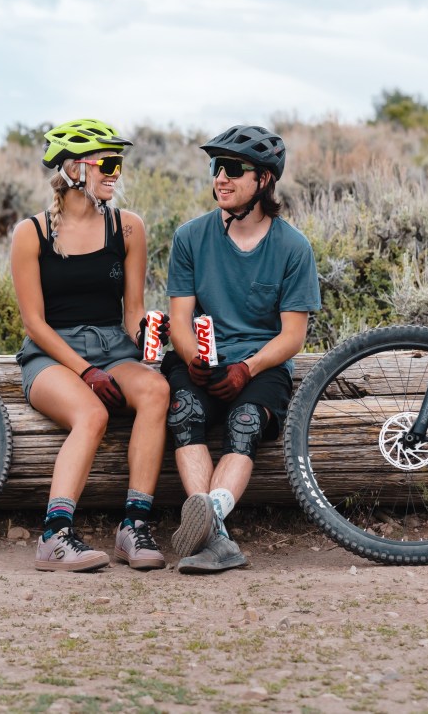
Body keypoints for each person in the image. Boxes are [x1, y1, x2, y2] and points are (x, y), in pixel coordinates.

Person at [10, 118, 171, 572]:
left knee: (157, 391)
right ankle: (54, 537)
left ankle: (133, 528)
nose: (116, 173)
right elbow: (35, 325)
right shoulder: (32, 234)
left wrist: (152, 337)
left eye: (119, 164)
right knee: (92, 412)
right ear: (76, 168)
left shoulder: (129, 228)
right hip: (51, 355)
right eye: (108, 163)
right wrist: (85, 371)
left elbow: (133, 311)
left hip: (113, 349)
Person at [161, 124, 321, 574]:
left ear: (264, 180)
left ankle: (206, 522)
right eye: (216, 167)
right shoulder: (190, 237)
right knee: (184, 414)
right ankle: (215, 536)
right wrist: (194, 356)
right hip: (202, 361)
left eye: (233, 169)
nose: (220, 178)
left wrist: (247, 369)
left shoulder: (293, 247)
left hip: (261, 364)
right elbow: (178, 319)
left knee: (245, 423)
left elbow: (292, 337)